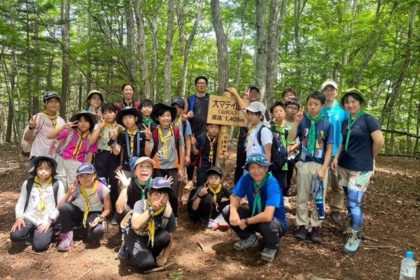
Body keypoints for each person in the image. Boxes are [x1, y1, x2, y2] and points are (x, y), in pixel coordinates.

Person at [331, 88, 384, 253]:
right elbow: (342, 142)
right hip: (344, 166)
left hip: (360, 169)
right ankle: (353, 226)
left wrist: (370, 157)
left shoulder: (369, 120)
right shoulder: (347, 121)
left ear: (359, 103)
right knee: (349, 198)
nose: (350, 104)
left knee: (354, 201)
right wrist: (336, 157)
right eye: (347, 102)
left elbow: (379, 141)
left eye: (353, 101)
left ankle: (355, 235)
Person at [223, 153, 288, 262]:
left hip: (275, 222)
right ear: (248, 169)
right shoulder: (247, 178)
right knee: (227, 211)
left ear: (266, 168)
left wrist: (246, 221)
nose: (256, 171)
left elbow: (267, 216)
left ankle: (272, 247)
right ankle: (249, 238)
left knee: (267, 224)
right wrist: (233, 210)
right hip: (256, 217)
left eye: (260, 167)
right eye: (252, 167)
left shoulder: (272, 183)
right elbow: (235, 196)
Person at [288, 91, 333, 243]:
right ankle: (301, 224)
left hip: (320, 165)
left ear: (322, 106)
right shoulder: (302, 121)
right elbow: (290, 138)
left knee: (319, 198)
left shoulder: (327, 124)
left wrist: (323, 169)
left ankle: (316, 226)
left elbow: (329, 149)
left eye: (316, 104)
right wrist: (296, 122)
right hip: (304, 163)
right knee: (301, 196)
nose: (312, 107)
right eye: (310, 104)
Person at [119, 177, 176, 271]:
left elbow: (170, 236)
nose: (161, 198)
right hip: (134, 235)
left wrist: (164, 257)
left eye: (165, 195)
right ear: (149, 195)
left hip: (150, 236)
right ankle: (127, 252)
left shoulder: (168, 211)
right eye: (156, 194)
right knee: (147, 264)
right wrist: (151, 210)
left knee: (165, 236)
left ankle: (146, 253)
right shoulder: (140, 204)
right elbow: (136, 226)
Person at [10, 156, 65, 252]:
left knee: (40, 247)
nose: (43, 171)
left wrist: (49, 221)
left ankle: (45, 234)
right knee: (15, 235)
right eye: (40, 168)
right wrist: (19, 217)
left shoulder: (58, 184)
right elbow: (21, 202)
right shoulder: (28, 183)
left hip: (46, 219)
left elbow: (60, 206)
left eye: (47, 169)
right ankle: (31, 232)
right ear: (35, 169)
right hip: (29, 216)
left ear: (52, 170)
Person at [57, 163, 111, 252]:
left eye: (88, 175)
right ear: (78, 178)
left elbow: (107, 209)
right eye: (81, 176)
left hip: (93, 213)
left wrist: (99, 218)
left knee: (98, 230)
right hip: (78, 212)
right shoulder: (77, 188)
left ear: (94, 175)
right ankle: (67, 236)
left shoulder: (102, 189)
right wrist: (69, 193)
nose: (85, 178)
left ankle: (86, 230)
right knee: (64, 207)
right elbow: (60, 206)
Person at [89, 103, 124, 224]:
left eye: (110, 112)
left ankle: (114, 212)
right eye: (105, 112)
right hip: (100, 155)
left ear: (116, 112)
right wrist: (99, 127)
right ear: (101, 115)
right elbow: (91, 141)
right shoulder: (99, 125)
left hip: (114, 157)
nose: (108, 115)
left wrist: (113, 139)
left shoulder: (120, 128)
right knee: (99, 182)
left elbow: (119, 149)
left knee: (114, 184)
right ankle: (100, 209)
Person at [228, 85, 269, 183]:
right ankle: (239, 187)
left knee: (254, 165)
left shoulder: (260, 106)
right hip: (245, 141)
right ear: (247, 93)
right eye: (251, 92)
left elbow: (244, 109)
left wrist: (236, 94)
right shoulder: (245, 103)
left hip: (257, 143)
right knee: (241, 165)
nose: (253, 94)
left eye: (256, 92)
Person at [320, 80, 348, 224]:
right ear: (323, 92)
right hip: (320, 152)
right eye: (326, 90)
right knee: (320, 182)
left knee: (337, 183)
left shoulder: (343, 112)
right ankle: (319, 208)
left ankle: (336, 209)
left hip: (336, 153)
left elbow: (347, 133)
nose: (329, 92)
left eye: (332, 90)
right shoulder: (319, 109)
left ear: (336, 92)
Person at [150, 103, 185, 218]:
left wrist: (181, 168)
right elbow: (149, 151)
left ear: (172, 117)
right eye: (162, 116)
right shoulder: (154, 132)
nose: (166, 118)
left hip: (172, 166)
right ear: (157, 118)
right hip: (157, 167)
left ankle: (173, 215)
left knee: (172, 193)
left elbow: (181, 148)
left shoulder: (176, 131)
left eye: (168, 115)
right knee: (158, 192)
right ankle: (158, 214)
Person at [48, 111, 98, 189]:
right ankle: (60, 200)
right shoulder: (69, 131)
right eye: (80, 121)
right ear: (76, 122)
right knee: (60, 184)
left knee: (74, 186)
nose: (83, 123)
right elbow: (49, 136)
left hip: (78, 164)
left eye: (86, 121)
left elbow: (89, 156)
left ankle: (70, 200)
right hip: (63, 161)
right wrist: (63, 127)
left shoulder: (91, 138)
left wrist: (86, 170)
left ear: (90, 123)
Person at [23, 91, 65, 162]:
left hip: (54, 159)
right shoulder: (38, 117)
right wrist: (31, 128)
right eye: (50, 101)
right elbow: (27, 138)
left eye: (56, 101)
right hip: (38, 156)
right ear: (45, 103)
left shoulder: (61, 121)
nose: (54, 104)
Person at [109, 107, 152, 174]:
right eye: (124, 118)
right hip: (126, 167)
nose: (127, 120)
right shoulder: (122, 134)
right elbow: (116, 152)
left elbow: (147, 153)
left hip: (141, 167)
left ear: (136, 118)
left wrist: (148, 138)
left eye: (130, 117)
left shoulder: (144, 133)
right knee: (124, 184)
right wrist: (112, 140)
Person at [185, 76, 211, 188]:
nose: (201, 85)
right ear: (196, 85)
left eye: (204, 83)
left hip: (207, 132)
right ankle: (190, 179)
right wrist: (187, 115)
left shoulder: (211, 98)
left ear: (206, 85)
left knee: (206, 156)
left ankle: (206, 179)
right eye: (199, 83)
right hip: (193, 130)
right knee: (191, 154)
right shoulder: (190, 99)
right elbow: (183, 114)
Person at [115, 157, 155, 225]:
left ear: (152, 171)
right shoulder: (130, 183)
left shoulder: (155, 185)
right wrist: (125, 187)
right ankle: (126, 230)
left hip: (149, 215)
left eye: (148, 166)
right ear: (135, 171)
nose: (144, 169)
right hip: (131, 215)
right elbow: (119, 209)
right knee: (124, 208)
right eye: (141, 166)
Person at [269, 101, 290, 207]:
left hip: (283, 162)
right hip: (270, 161)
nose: (279, 113)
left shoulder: (288, 128)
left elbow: (292, 143)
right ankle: (270, 204)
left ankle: (279, 205)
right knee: (270, 183)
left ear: (285, 112)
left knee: (281, 184)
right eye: (276, 111)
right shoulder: (268, 126)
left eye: (281, 111)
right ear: (272, 114)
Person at [191, 123, 220, 188]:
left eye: (216, 127)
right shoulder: (202, 137)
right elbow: (196, 153)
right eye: (211, 127)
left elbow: (222, 154)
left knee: (213, 187)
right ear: (207, 127)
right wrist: (193, 145)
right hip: (202, 167)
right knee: (200, 186)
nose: (214, 129)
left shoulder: (220, 139)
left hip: (215, 167)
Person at [284, 98, 301, 196]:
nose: (292, 110)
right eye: (290, 107)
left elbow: (302, 138)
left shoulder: (300, 122)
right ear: (285, 108)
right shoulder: (279, 120)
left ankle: (285, 194)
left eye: (295, 108)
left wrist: (292, 148)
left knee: (289, 174)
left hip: (293, 153)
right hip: (280, 152)